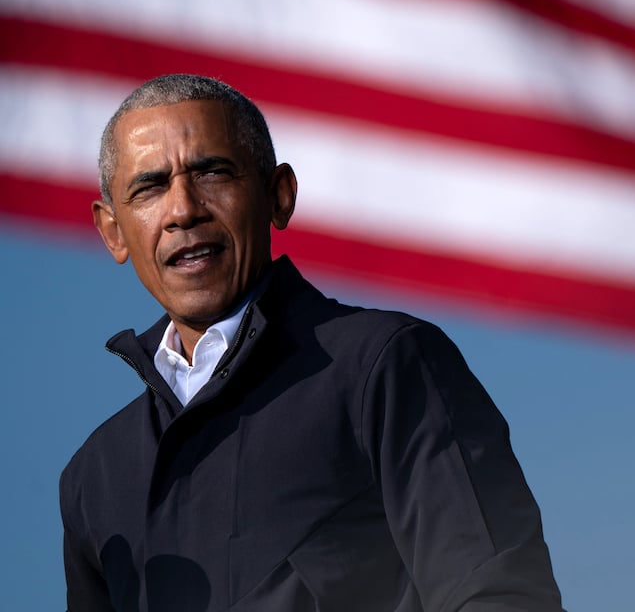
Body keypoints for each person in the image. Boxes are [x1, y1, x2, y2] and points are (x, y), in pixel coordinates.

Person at [61, 74, 563, 611]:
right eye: (151, 187)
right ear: (113, 231)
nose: (183, 209)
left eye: (212, 172)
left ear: (279, 195)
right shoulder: (95, 477)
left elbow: (501, 595)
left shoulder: (384, 364)